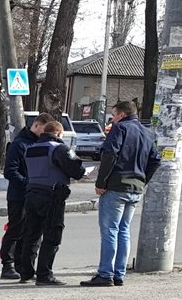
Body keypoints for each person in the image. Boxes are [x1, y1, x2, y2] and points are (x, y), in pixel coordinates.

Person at [80, 100, 162, 287]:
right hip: (135, 188)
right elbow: (155, 160)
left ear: (122, 115)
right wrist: (143, 180)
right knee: (123, 231)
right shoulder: (147, 132)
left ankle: (105, 274)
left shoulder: (120, 129)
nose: (112, 119)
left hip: (116, 186)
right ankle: (119, 273)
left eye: (114, 115)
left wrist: (101, 182)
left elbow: (109, 154)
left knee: (110, 231)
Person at [15, 120, 86, 285]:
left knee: (31, 235)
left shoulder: (30, 149)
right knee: (52, 235)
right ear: (59, 133)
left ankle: (26, 272)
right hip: (52, 195)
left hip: (31, 194)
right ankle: (44, 275)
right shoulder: (59, 149)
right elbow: (77, 170)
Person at [0, 113, 52, 279]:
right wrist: (28, 184)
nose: (45, 134)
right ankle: (7, 265)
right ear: (36, 126)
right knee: (16, 230)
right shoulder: (19, 144)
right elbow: (10, 171)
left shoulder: (42, 143)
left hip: (36, 195)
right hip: (19, 195)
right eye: (44, 130)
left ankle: (24, 266)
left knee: (31, 232)